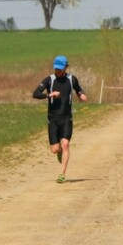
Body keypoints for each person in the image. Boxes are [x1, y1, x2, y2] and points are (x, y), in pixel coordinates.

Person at [33, 55, 87, 183]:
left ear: (65, 68)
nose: (57, 71)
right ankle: (59, 152)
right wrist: (49, 95)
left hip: (66, 118)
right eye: (56, 68)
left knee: (66, 144)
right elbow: (35, 93)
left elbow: (78, 89)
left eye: (60, 69)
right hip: (53, 119)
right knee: (55, 149)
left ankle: (62, 174)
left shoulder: (71, 79)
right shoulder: (49, 80)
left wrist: (81, 95)